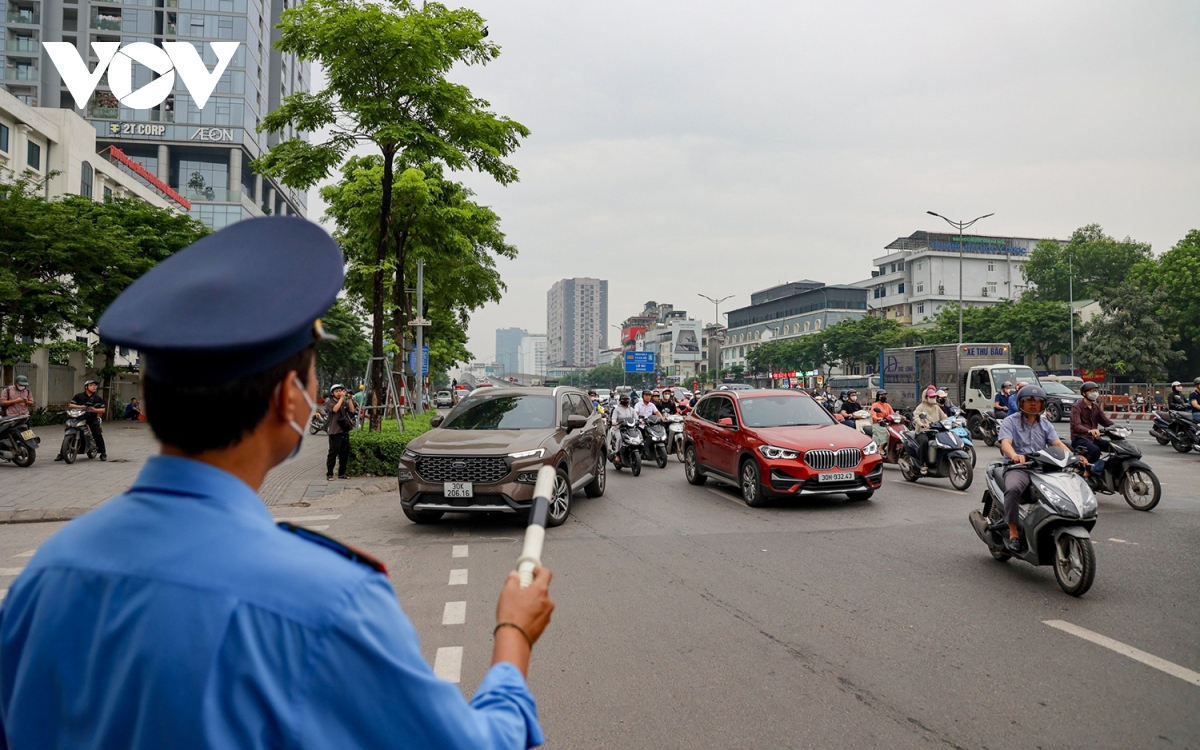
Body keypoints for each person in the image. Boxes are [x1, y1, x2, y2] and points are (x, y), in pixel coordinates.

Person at [0, 217, 554, 748]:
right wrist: (513, 635)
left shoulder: (48, 573)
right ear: (291, 399)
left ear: (146, 398)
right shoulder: (326, 600)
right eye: (313, 377)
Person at [998, 384, 1077, 554]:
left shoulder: (1046, 424)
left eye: (1038, 401)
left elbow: (1056, 443)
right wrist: (1014, 456)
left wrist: (1073, 457)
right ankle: (1013, 531)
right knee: (1012, 489)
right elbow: (1005, 443)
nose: (1033, 404)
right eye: (1028, 400)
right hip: (1018, 468)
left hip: (1042, 468)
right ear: (1021, 403)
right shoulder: (1009, 421)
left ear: (1043, 404)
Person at [60, 380, 107, 461]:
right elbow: (71, 405)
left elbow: (103, 410)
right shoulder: (79, 396)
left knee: (97, 433)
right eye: (91, 385)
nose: (94, 387)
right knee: (68, 432)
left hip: (91, 419)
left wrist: (94, 409)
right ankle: (62, 453)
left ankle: (103, 453)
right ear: (86, 387)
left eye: (95, 385)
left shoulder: (97, 398)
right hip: (78, 417)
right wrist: (82, 407)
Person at [1070, 382, 1113, 466]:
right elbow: (1076, 425)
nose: (1095, 393)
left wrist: (1118, 428)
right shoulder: (1077, 407)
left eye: (1096, 391)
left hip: (1094, 439)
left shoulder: (1096, 407)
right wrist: (1089, 430)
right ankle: (1085, 470)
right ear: (1084, 393)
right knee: (1095, 450)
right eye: (1092, 391)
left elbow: (1106, 421)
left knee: (1114, 447)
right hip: (1079, 439)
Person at [910, 387, 948, 473]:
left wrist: (952, 421)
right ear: (926, 397)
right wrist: (922, 424)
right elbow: (916, 418)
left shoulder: (936, 407)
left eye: (934, 397)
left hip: (936, 431)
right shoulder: (920, 407)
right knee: (924, 441)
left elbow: (944, 417)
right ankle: (923, 464)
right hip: (923, 432)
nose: (933, 398)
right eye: (931, 397)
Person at [325, 383, 357, 480]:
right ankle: (329, 474)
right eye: (336, 391)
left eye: (340, 391)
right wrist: (342, 398)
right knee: (333, 453)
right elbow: (335, 409)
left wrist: (350, 399)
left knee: (344, 453)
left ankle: (342, 473)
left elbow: (351, 410)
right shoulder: (329, 402)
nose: (339, 393)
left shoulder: (343, 402)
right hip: (335, 432)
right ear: (332, 393)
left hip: (344, 431)